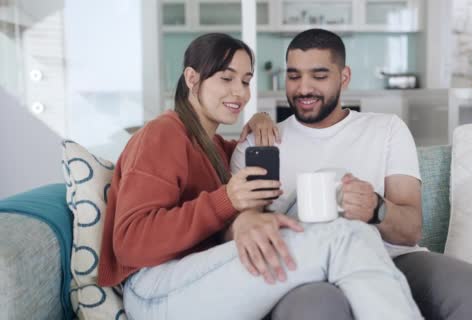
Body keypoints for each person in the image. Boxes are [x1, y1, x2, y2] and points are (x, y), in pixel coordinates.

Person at [98, 33, 422, 320]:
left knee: (335, 190)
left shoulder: (215, 146)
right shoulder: (162, 135)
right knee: (345, 236)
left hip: (200, 276)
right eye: (226, 78)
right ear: (192, 78)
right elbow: (130, 243)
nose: (239, 92)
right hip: (155, 291)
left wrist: (259, 124)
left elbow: (230, 174)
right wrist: (226, 201)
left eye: (245, 80)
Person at [231, 29, 472, 320]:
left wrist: (376, 209)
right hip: (306, 271)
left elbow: (411, 229)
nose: (304, 88)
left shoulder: (387, 129)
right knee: (314, 310)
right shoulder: (257, 142)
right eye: (294, 75)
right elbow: (242, 231)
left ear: (344, 77)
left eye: (319, 75)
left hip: (392, 259)